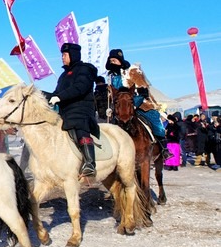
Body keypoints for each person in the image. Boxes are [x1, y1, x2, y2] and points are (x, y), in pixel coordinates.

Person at [45, 42, 100, 178]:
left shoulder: (84, 70)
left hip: (81, 109)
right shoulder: (63, 76)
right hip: (65, 111)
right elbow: (56, 93)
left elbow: (80, 88)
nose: (62, 57)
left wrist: (59, 97)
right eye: (62, 55)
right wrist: (41, 94)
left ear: (73, 55)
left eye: (65, 54)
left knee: (78, 124)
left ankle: (90, 163)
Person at [105, 50, 166, 145]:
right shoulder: (111, 77)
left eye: (115, 60)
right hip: (119, 108)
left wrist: (133, 104)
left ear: (120, 61)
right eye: (111, 61)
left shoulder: (133, 71)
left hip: (140, 105)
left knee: (155, 122)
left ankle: (162, 146)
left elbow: (143, 91)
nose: (112, 63)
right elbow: (111, 94)